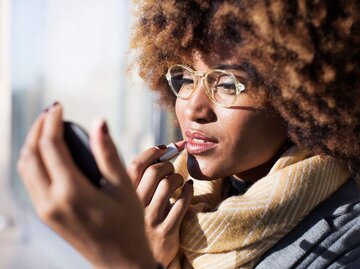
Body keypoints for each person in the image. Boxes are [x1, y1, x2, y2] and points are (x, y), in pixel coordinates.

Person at [17, 0, 360, 268]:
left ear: (298, 98)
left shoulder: (349, 240)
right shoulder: (173, 212)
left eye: (227, 84)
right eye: (184, 78)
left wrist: (127, 259)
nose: (193, 108)